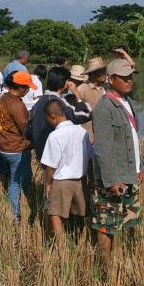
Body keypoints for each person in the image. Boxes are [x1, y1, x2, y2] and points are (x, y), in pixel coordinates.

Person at [91, 59, 142, 273]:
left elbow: (130, 140)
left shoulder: (125, 101)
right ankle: (107, 267)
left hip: (129, 173)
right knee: (106, 223)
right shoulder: (104, 108)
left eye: (131, 76)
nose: (129, 80)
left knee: (125, 221)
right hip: (114, 177)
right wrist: (111, 181)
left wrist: (138, 169)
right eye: (124, 77)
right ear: (110, 80)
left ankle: (122, 260)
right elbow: (103, 148)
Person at [41, 99, 94, 239]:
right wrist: (91, 180)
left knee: (55, 214)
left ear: (52, 116)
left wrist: (47, 183)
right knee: (82, 214)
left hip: (61, 182)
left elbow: (50, 165)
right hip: (80, 181)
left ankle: (60, 246)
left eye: (47, 119)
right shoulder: (81, 131)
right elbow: (90, 157)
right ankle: (81, 241)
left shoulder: (54, 136)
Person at [0, 70, 37, 222]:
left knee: (19, 179)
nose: (28, 90)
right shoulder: (17, 105)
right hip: (16, 149)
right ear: (20, 87)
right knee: (16, 183)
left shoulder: (4, 97)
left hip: (4, 146)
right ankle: (14, 215)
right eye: (27, 87)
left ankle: (19, 205)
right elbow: (26, 129)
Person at [30, 66, 91, 161]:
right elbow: (85, 115)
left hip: (41, 151)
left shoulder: (39, 101)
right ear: (65, 82)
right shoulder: (59, 103)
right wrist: (77, 95)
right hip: (56, 153)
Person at [78, 57, 108, 142]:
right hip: (85, 137)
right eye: (101, 72)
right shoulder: (82, 89)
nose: (104, 74)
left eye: (104, 71)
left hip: (100, 136)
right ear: (93, 74)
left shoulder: (102, 89)